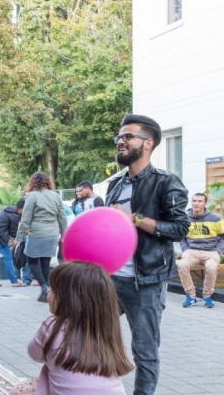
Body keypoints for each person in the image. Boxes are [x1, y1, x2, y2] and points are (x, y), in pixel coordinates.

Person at [106, 114, 189, 395]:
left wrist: (135, 218)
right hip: (110, 278)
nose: (121, 141)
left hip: (146, 283)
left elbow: (180, 228)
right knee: (85, 334)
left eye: (128, 136)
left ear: (148, 142)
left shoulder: (167, 182)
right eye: (119, 137)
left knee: (145, 352)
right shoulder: (115, 185)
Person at [8, 261, 134, 395]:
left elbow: (35, 354)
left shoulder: (52, 326)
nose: (49, 293)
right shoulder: (105, 328)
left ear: (69, 299)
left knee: (23, 389)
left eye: (53, 289)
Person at [15, 172, 67, 303]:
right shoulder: (55, 196)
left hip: (37, 233)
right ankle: (47, 294)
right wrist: (64, 234)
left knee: (31, 261)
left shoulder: (33, 196)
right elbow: (62, 216)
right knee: (45, 263)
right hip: (53, 234)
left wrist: (19, 237)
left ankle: (45, 287)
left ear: (33, 182)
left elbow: (25, 218)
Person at [177, 193, 224, 308]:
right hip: (191, 251)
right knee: (182, 265)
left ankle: (207, 296)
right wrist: (185, 249)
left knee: (211, 267)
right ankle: (191, 296)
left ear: (205, 204)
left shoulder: (215, 218)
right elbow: (181, 236)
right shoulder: (185, 218)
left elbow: (223, 236)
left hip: (211, 252)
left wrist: (218, 250)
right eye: (194, 201)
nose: (196, 203)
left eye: (199, 201)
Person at [0, 200, 26, 287]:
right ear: (20, 209)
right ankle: (14, 281)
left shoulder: (8, 210)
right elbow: (13, 232)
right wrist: (24, 233)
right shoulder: (15, 216)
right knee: (8, 257)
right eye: (25, 210)